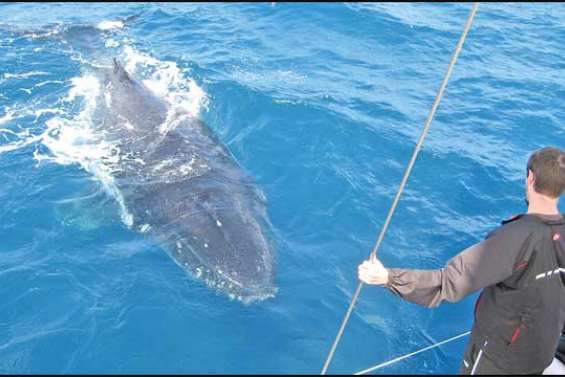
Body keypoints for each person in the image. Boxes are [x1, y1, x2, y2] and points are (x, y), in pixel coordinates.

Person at [358, 146, 565, 375]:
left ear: (530, 178)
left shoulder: (514, 237)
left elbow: (449, 282)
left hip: (502, 362)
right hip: (539, 356)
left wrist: (387, 277)